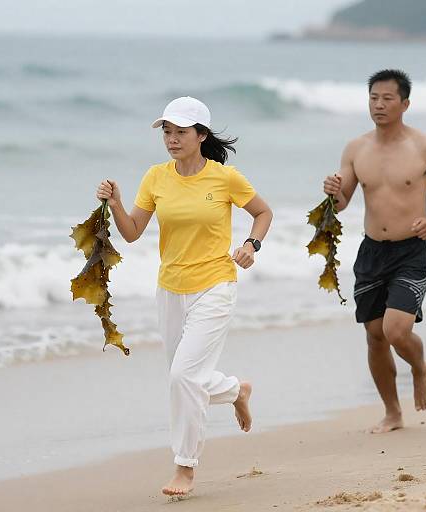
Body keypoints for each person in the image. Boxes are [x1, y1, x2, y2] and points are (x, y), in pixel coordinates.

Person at [96, 96, 272, 496]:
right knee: (186, 379)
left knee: (182, 377)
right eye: (167, 132)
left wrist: (251, 245)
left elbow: (263, 213)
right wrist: (116, 203)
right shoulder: (156, 177)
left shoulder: (225, 178)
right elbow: (132, 232)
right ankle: (234, 390)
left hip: (215, 284)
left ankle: (185, 468)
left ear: (201, 135)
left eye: (180, 132)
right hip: (170, 289)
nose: (172, 140)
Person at [323, 69, 426, 434]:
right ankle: (392, 413)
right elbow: (341, 203)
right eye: (373, 98)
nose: (379, 105)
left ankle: (420, 368)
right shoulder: (356, 148)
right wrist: (332, 191)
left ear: (405, 104)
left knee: (396, 330)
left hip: (412, 250)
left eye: (387, 98)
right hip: (372, 252)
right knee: (374, 335)